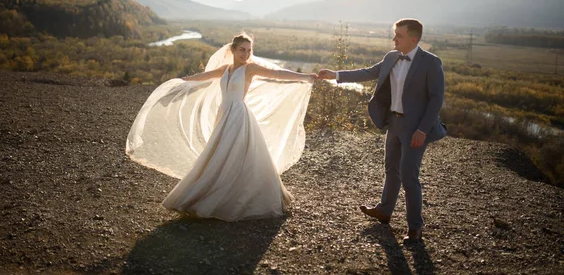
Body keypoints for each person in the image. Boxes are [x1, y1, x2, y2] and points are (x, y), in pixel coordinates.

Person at [127, 33, 317, 221]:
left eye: (249, 51)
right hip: (224, 114)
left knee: (234, 154)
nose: (245, 54)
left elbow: (277, 74)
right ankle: (212, 191)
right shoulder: (225, 69)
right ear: (232, 50)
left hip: (238, 115)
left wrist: (305, 76)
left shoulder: (250, 69)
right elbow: (204, 77)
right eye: (242, 50)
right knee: (220, 154)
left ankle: (241, 197)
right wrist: (180, 83)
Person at [318, 18, 446, 243]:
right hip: (393, 123)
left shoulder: (431, 63)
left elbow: (436, 99)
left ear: (413, 39)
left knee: (409, 176)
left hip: (416, 128)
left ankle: (415, 227)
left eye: (399, 35)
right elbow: (368, 72)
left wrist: (423, 130)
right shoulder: (391, 57)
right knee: (391, 170)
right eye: (394, 34)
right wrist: (335, 75)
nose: (394, 39)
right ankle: (385, 211)